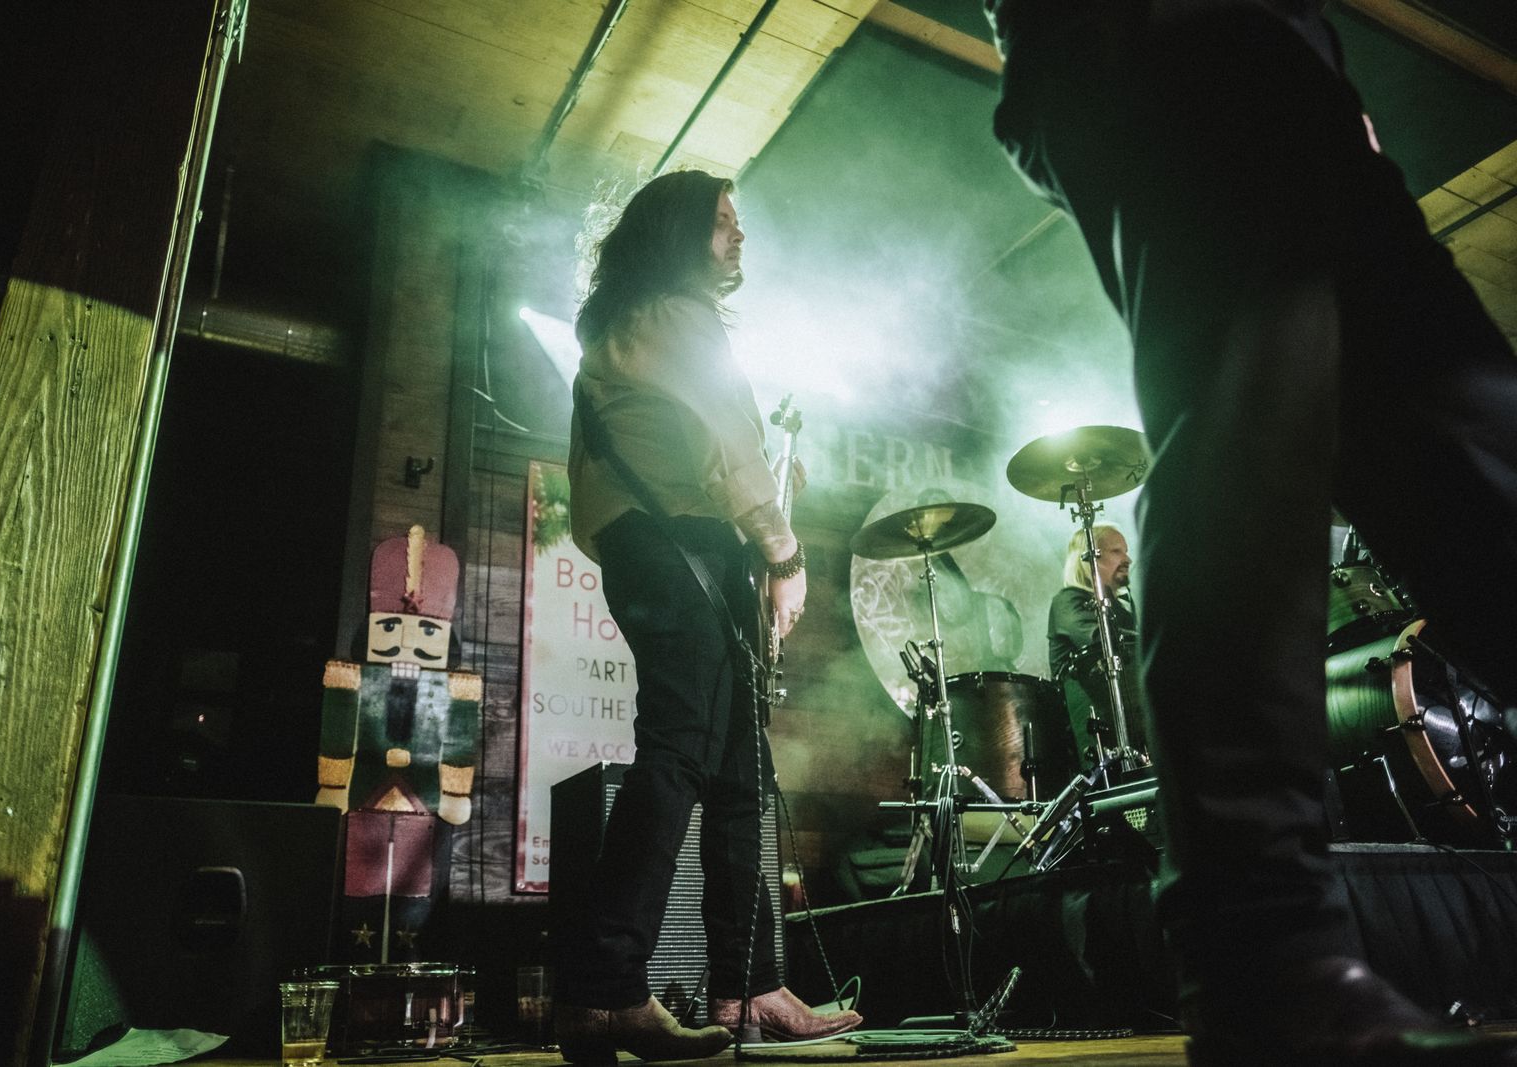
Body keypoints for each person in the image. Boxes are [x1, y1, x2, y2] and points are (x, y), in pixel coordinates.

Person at [981, 2, 1517, 1065]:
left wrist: (1325, 86)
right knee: (1249, 409)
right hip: (1145, 29)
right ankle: (1265, 958)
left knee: (1474, 434)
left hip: (1283, 51)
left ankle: (1266, 962)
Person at [556, 169, 862, 1063]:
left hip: (674, 550)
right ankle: (605, 990)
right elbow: (730, 449)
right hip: (678, 547)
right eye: (724, 221)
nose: (739, 235)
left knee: (736, 776)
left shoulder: (632, 324)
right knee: (680, 753)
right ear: (678, 231)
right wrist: (785, 554)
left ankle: (748, 985)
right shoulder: (671, 317)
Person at [1046, 524, 1142, 763]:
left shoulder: (1121, 609)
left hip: (1132, 724)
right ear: (1088, 558)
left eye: (1126, 551)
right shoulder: (1068, 602)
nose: (1128, 559)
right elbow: (1101, 638)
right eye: (1116, 551)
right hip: (1095, 737)